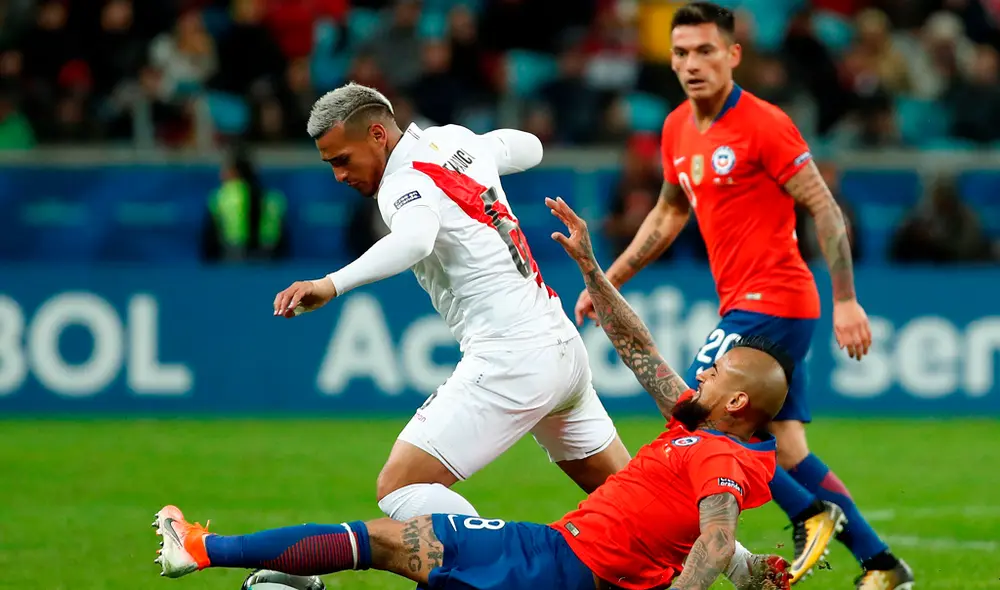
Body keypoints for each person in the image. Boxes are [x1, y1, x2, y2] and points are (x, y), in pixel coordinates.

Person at [153, 197, 793, 590]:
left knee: (384, 539)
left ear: (738, 404)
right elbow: (639, 351)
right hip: (571, 571)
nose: (702, 373)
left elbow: (714, 537)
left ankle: (203, 550)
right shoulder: (698, 425)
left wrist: (728, 566)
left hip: (550, 563)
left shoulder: (719, 457)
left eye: (717, 372)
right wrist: (594, 272)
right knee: (403, 554)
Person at [572, 3, 912, 588]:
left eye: (706, 51)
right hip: (745, 303)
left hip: (776, 298)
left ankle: (808, 513)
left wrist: (848, 299)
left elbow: (824, 209)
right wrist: (612, 278)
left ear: (732, 55)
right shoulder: (677, 126)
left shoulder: (764, 124)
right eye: (681, 53)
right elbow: (668, 212)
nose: (692, 63)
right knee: (788, 452)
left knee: (698, 413)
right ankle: (883, 565)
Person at [269, 82, 632, 526]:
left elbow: (415, 240)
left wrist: (331, 283)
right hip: (559, 347)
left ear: (378, 135)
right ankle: (739, 565)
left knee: (399, 487)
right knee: (634, 498)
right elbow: (531, 147)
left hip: (510, 358)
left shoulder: (400, 184)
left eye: (342, 160)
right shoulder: (455, 141)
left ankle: (504, 568)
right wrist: (481, 155)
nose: (339, 176)